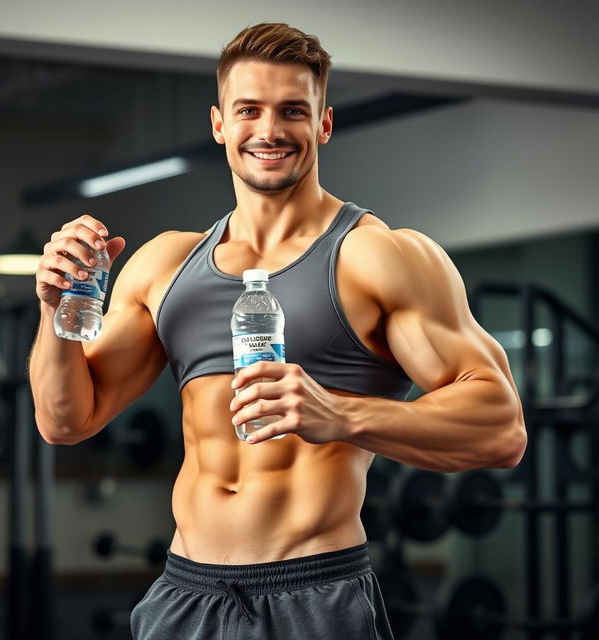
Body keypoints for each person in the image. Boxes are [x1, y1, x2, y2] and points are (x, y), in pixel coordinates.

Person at [29, 22, 527, 640]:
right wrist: (55, 314)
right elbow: (65, 420)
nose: (269, 131)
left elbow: (502, 427)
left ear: (323, 124)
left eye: (293, 110)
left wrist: (339, 414)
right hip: (186, 593)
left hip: (313, 593)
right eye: (249, 110)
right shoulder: (166, 265)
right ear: (219, 124)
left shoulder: (378, 258)